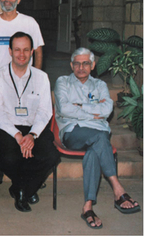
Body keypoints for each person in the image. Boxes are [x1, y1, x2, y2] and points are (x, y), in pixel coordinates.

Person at [54, 48, 140, 229]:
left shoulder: (100, 85)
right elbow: (64, 109)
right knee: (100, 139)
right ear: (71, 65)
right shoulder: (63, 82)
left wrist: (79, 107)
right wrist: (93, 111)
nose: (81, 67)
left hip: (97, 133)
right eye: (77, 63)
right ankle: (117, 189)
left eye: (85, 63)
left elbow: (106, 110)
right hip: (73, 132)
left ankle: (88, 207)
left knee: (94, 150)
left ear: (92, 65)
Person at [0, 32, 59, 212]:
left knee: (51, 155)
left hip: (34, 127)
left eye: (26, 50)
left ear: (32, 51)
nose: (22, 54)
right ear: (10, 51)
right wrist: (18, 135)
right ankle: (27, 188)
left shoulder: (41, 77)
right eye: (17, 50)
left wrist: (32, 135)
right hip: (6, 127)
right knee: (10, 158)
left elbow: (45, 111)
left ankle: (21, 189)